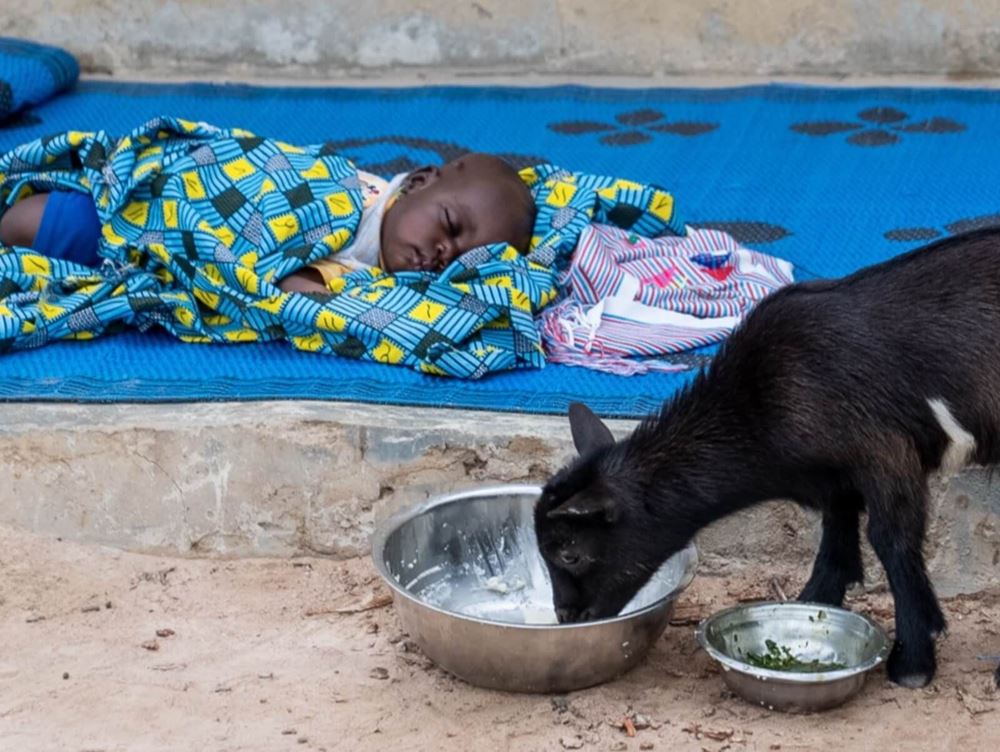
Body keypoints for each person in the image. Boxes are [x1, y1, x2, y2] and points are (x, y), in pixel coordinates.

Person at [0, 150, 536, 294]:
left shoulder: (378, 274)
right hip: (163, 209)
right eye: (448, 224)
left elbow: (302, 285)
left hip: (174, 259)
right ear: (417, 183)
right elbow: (271, 202)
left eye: (462, 257)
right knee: (29, 222)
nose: (444, 250)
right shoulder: (350, 198)